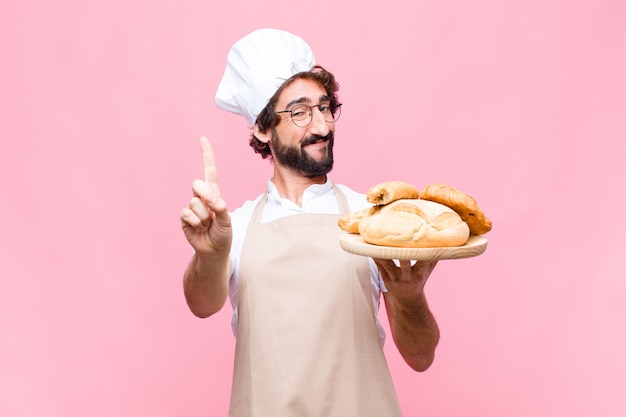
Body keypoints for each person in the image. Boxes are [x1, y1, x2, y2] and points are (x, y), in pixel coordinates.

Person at [180, 28, 440, 416]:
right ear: (262, 128)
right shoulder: (236, 227)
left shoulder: (369, 219)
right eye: (300, 112)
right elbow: (202, 304)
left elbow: (421, 357)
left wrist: (409, 298)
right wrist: (211, 253)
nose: (322, 127)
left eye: (324, 108)